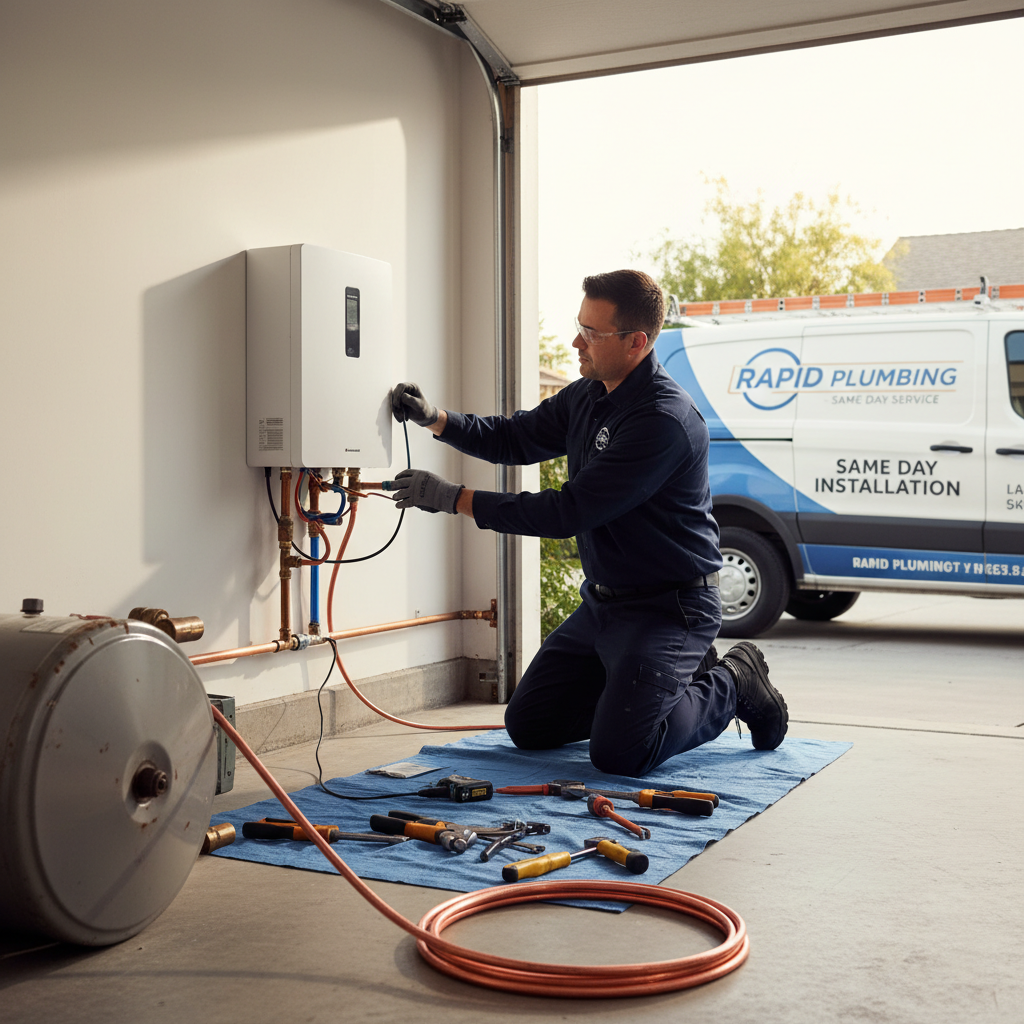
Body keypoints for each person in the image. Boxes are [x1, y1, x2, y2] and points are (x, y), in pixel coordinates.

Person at [391, 269, 787, 777]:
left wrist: (454, 499)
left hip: (671, 608)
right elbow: (515, 438)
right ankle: (655, 687)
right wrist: (436, 419)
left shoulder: (662, 421)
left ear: (636, 342)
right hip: (605, 604)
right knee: (530, 725)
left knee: (623, 752)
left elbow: (568, 511)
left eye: (592, 333)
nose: (576, 342)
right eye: (579, 326)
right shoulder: (589, 393)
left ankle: (735, 678)